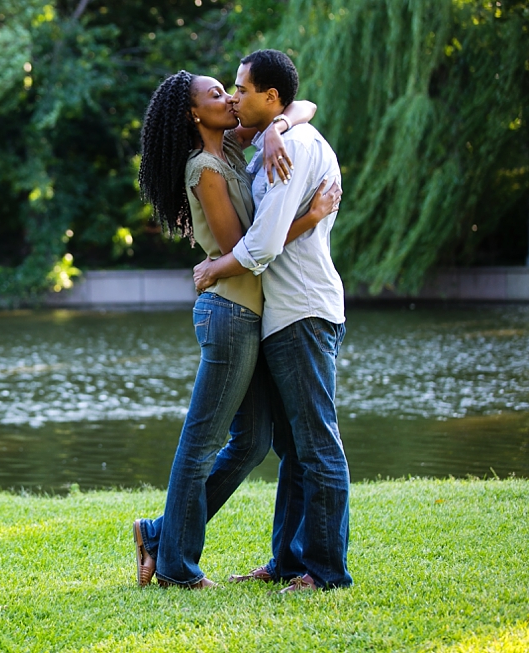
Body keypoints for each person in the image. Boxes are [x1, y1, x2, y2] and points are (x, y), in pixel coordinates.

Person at [132, 69, 342, 589]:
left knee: (252, 443)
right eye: (216, 94)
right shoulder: (205, 167)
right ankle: (177, 567)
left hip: (253, 313)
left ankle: (159, 534)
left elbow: (301, 105)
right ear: (193, 114)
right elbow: (245, 247)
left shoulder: (230, 146)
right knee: (202, 441)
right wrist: (310, 216)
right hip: (228, 312)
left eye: (231, 90)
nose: (228, 98)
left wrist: (276, 130)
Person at [193, 49, 352, 593]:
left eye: (242, 89)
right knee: (292, 451)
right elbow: (301, 107)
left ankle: (326, 572)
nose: (234, 96)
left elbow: (261, 245)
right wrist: (277, 128)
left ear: (270, 96)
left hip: (303, 310)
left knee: (317, 446)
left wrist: (215, 267)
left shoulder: (295, 148)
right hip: (280, 315)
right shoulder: (271, 143)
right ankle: (287, 561)